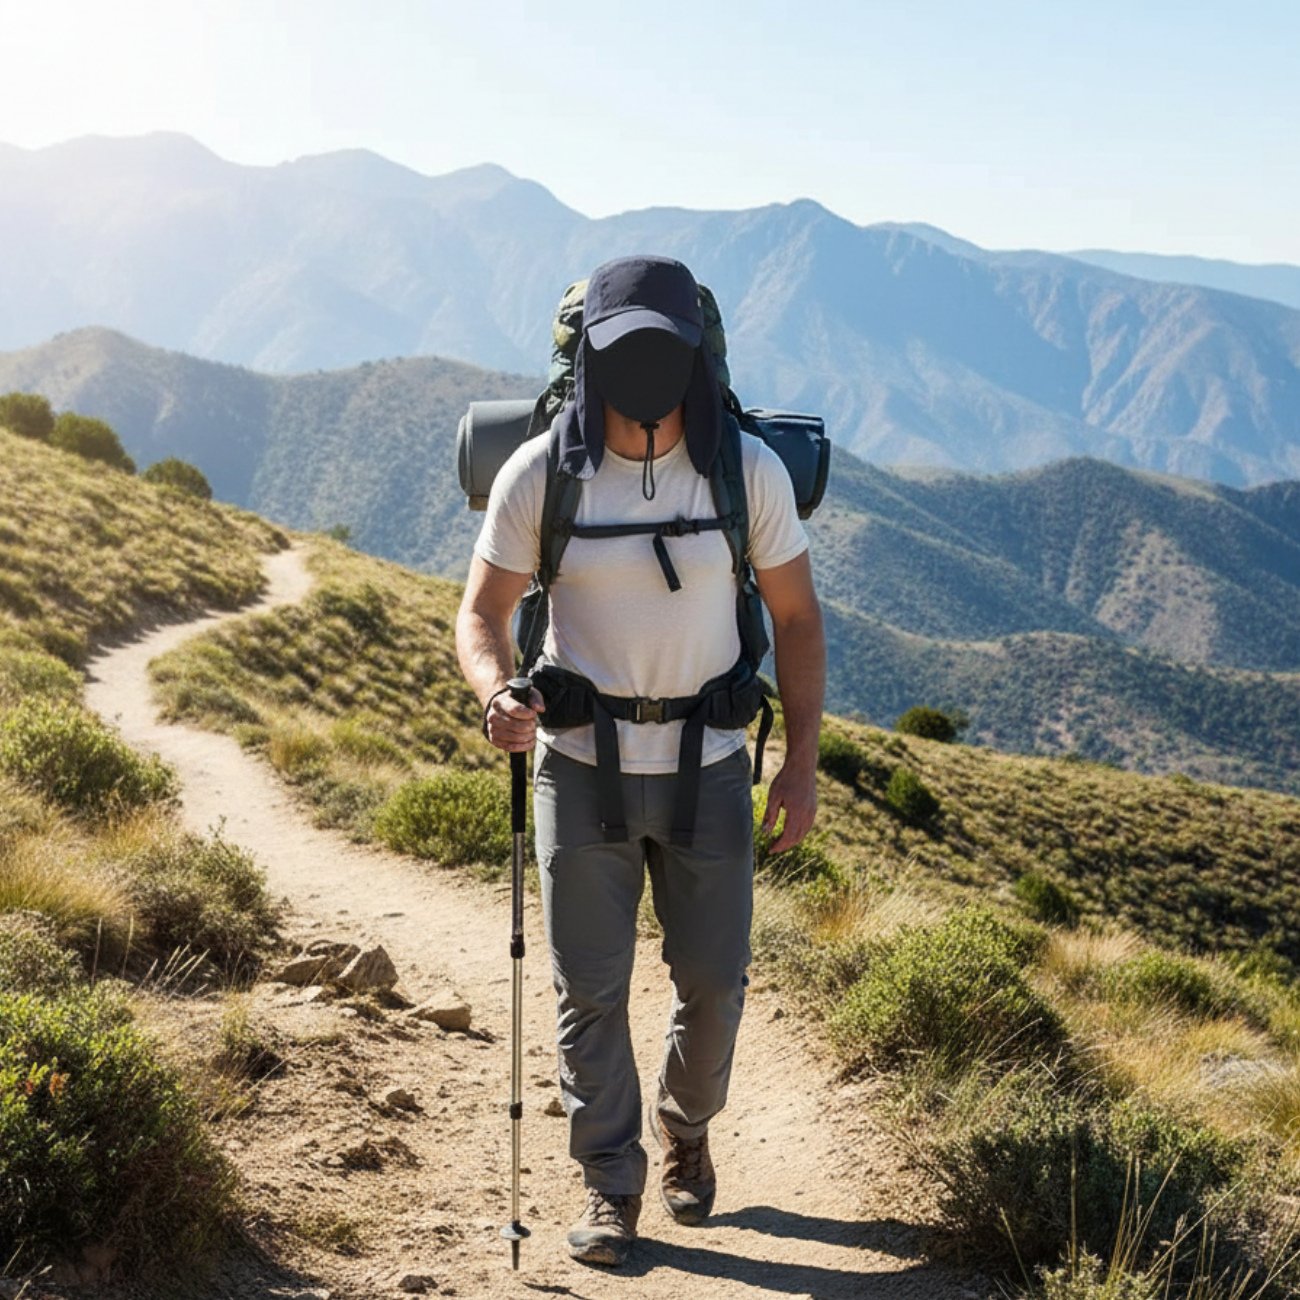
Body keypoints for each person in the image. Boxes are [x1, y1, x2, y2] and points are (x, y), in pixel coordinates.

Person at [455, 254, 825, 1267]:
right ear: (591, 362)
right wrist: (497, 689)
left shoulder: (743, 470)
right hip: (578, 764)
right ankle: (611, 1181)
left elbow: (795, 618)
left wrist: (797, 761)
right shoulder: (543, 474)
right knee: (591, 990)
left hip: (708, 761)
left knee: (713, 981)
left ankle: (685, 1126)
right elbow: (482, 612)